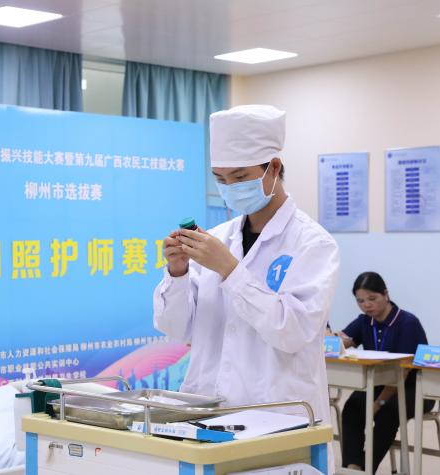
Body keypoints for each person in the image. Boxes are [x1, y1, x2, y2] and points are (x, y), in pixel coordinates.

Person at [153, 104, 340, 468]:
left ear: (273, 168)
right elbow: (176, 329)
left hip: (278, 421)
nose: (230, 188)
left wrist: (229, 269)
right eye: (220, 179)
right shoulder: (219, 238)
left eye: (240, 177)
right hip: (209, 419)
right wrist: (177, 272)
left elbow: (292, 331)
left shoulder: (313, 244)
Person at [339, 271, 434, 473]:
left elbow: (402, 374)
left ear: (385, 294)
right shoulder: (365, 321)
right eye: (360, 301)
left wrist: (377, 403)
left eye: (372, 298)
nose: (367, 305)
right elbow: (344, 340)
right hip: (380, 384)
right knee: (353, 407)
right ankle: (351, 467)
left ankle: (364, 468)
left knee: (388, 412)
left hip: (415, 389)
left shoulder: (407, 323)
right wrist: (332, 338)